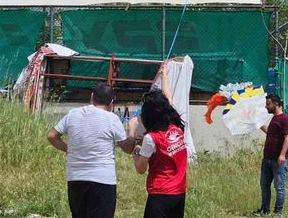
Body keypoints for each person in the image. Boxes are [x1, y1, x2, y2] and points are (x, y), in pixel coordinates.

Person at [47, 83, 136, 218]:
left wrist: (68, 149)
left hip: (75, 178)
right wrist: (133, 131)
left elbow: (52, 136)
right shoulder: (112, 119)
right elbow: (128, 148)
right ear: (112, 103)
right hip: (103, 180)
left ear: (92, 96)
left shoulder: (73, 114)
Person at [130, 81, 188, 218]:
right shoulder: (177, 128)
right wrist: (164, 75)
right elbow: (168, 101)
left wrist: (134, 141)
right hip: (179, 192)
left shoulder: (152, 139)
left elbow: (140, 169)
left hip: (160, 193)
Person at [254, 94, 288, 217]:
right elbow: (270, 133)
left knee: (279, 187)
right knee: (264, 185)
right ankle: (264, 210)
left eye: (268, 104)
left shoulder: (285, 119)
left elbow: (287, 137)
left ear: (276, 104)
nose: (266, 107)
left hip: (278, 160)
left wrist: (282, 155)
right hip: (267, 159)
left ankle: (278, 212)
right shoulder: (274, 118)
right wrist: (258, 124)